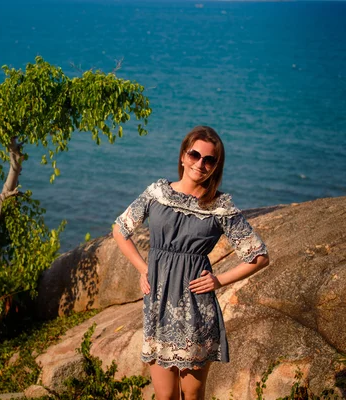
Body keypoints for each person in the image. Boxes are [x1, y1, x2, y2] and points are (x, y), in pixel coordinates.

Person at [112, 126, 270, 400]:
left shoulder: (220, 207)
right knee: (165, 395)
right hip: (158, 304)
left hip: (196, 309)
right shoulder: (157, 193)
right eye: (195, 155)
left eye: (209, 160)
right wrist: (144, 268)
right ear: (184, 156)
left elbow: (258, 257)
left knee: (193, 394)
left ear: (215, 167)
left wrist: (218, 280)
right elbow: (120, 229)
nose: (201, 163)